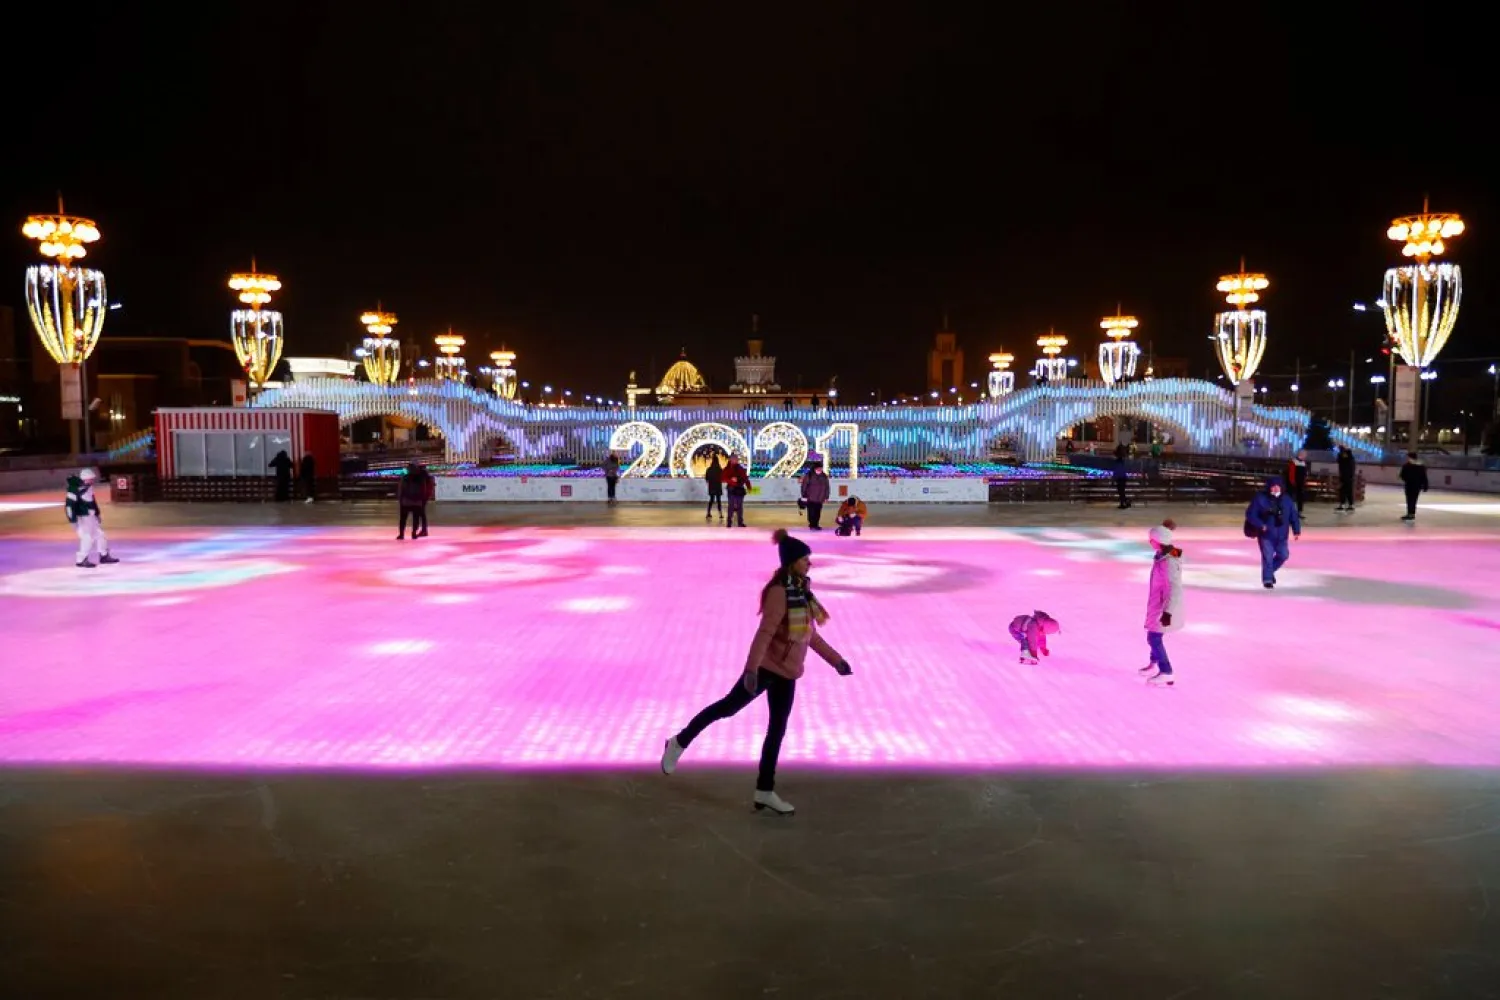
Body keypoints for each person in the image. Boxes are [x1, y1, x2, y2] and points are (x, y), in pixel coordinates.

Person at [660, 529, 852, 815]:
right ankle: (679, 741)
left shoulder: (802, 591)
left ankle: (764, 791)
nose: (809, 563)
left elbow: (810, 635)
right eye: (804, 559)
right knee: (728, 708)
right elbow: (764, 634)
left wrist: (835, 660)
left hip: (788, 673)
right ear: (791, 563)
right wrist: (751, 670)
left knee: (777, 731)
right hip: (766, 669)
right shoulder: (779, 593)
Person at [1140, 520, 1183, 687]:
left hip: (1164, 605)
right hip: (1158, 602)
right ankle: (1155, 662)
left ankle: (1166, 671)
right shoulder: (1162, 555)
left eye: (1151, 539)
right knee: (1153, 634)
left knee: (1154, 637)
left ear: (1158, 541)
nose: (1149, 542)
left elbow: (1175, 588)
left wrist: (1168, 612)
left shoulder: (1169, 561)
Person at [1245, 476, 1301, 589]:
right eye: (1273, 486)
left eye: (1278, 486)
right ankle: (1267, 580)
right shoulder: (1260, 499)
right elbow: (1251, 514)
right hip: (1266, 535)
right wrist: (1261, 525)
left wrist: (1296, 530)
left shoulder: (1287, 500)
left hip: (1282, 536)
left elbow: (1293, 516)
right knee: (1268, 557)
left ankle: (1270, 572)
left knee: (1284, 555)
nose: (1275, 488)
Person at [65, 467, 118, 569]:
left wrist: (97, 514)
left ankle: (104, 555)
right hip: (82, 518)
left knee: (100, 535)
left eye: (92, 479)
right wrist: (72, 520)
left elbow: (93, 502)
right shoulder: (73, 490)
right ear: (84, 478)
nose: (92, 481)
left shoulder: (89, 488)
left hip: (91, 517)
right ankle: (81, 560)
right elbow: (69, 506)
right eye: (90, 479)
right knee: (87, 538)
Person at [397, 462, 432, 539]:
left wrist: (400, 499)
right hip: (417, 502)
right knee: (415, 518)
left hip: (406, 501)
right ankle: (414, 533)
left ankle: (401, 534)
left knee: (403, 519)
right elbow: (423, 489)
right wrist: (422, 499)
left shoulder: (405, 478)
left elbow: (401, 489)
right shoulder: (420, 478)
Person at [1400, 451, 1429, 522]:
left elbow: (1402, 475)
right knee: (1414, 499)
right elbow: (1424, 477)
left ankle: (1410, 513)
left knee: (1409, 499)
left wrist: (1407, 479)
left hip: (1409, 485)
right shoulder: (1421, 466)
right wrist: (1425, 485)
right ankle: (1411, 514)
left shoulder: (1406, 465)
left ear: (1410, 457)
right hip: (1417, 486)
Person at [800, 464, 831, 530]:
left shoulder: (824, 476)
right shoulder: (809, 475)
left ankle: (816, 524)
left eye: (821, 468)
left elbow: (827, 487)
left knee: (817, 512)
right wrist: (804, 495)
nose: (820, 469)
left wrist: (826, 497)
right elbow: (804, 485)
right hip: (810, 497)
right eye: (819, 468)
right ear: (815, 468)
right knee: (811, 512)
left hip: (820, 498)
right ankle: (812, 524)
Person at [722, 454, 749, 528]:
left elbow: (745, 478)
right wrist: (731, 480)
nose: (736, 460)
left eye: (737, 459)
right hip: (731, 489)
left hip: (739, 490)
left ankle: (740, 522)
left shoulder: (740, 468)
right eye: (735, 459)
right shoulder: (727, 469)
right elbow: (723, 478)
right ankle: (729, 522)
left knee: (739, 506)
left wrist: (748, 486)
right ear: (731, 460)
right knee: (731, 506)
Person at [1285, 450, 1309, 514]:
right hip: (1293, 483)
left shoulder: (1304, 463)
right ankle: (1288, 511)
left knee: (1300, 497)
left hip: (1300, 484)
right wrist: (1293, 482)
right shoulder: (1294, 462)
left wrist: (1304, 481)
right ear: (1301, 454)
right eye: (1305, 454)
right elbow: (1291, 473)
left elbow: (1304, 473)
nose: (1306, 456)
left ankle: (1299, 511)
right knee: (1290, 497)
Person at [1336, 446, 1357, 512]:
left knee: (1346, 491)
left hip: (1347, 477)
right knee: (1344, 491)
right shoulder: (1349, 458)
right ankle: (1345, 504)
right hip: (1347, 477)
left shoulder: (1346, 458)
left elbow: (1340, 461)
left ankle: (1348, 505)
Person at [704, 452, 724, 521]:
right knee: (719, 500)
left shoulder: (709, 469)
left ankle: (708, 513)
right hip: (718, 486)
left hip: (711, 487)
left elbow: (706, 479)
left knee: (711, 500)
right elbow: (723, 478)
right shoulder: (720, 469)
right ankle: (720, 514)